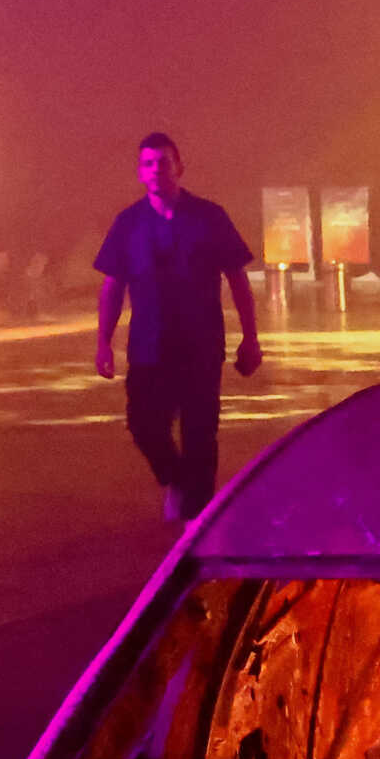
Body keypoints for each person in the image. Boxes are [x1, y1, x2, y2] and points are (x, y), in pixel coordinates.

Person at [93, 131, 262, 519]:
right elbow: (112, 285)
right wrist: (104, 342)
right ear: (140, 172)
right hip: (149, 348)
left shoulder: (209, 217)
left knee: (200, 436)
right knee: (143, 425)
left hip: (201, 346)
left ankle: (196, 523)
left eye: (164, 162)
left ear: (179, 167)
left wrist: (250, 338)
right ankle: (177, 478)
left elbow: (237, 279)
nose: (156, 170)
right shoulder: (129, 224)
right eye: (148, 164)